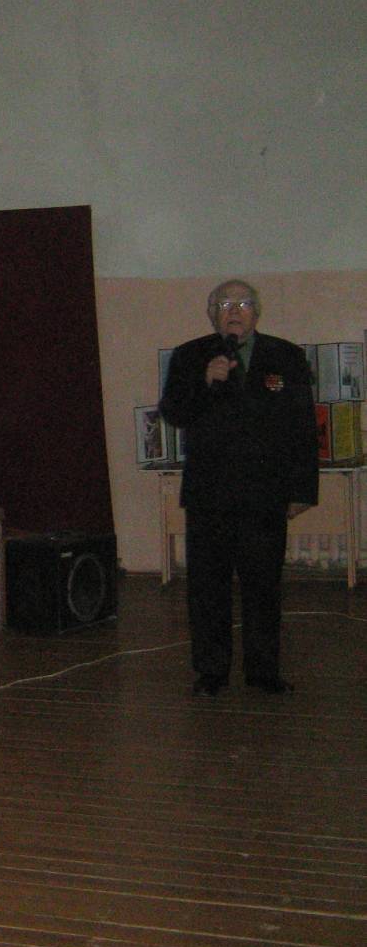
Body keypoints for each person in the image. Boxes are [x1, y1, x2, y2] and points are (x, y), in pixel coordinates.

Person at [159, 281, 317, 696]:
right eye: (225, 303)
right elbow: (174, 412)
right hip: (210, 495)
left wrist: (302, 489)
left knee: (263, 587)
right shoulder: (190, 355)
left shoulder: (285, 356)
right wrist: (204, 381)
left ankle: (263, 672)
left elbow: (302, 426)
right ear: (212, 312)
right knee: (207, 588)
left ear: (257, 312)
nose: (234, 310)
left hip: (265, 494)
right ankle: (211, 672)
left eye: (244, 303)